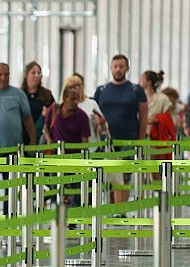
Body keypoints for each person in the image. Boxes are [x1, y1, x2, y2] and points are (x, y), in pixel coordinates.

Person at [0, 62, 36, 214]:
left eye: (6, 74)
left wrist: (33, 140)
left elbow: (27, 119)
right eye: (0, 74)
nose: (3, 77)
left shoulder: (18, 94)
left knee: (11, 187)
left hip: (13, 151)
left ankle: (8, 219)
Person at [93, 54, 147, 204]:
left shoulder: (136, 90)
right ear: (111, 68)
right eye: (115, 66)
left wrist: (140, 141)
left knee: (124, 175)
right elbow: (94, 114)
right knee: (109, 175)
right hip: (106, 140)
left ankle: (120, 210)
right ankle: (112, 207)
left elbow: (143, 117)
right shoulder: (101, 90)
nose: (118, 70)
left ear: (127, 68)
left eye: (121, 66)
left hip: (128, 139)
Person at [59, 74, 106, 146]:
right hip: (66, 147)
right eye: (72, 87)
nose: (76, 89)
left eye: (78, 86)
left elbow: (102, 131)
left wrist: (101, 124)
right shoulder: (61, 106)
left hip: (91, 148)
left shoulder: (92, 104)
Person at [21, 61, 55, 142]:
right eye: (33, 73)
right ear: (26, 75)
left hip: (42, 135)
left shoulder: (47, 94)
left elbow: (54, 112)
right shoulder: (20, 94)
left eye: (39, 73)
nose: (36, 75)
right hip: (23, 134)